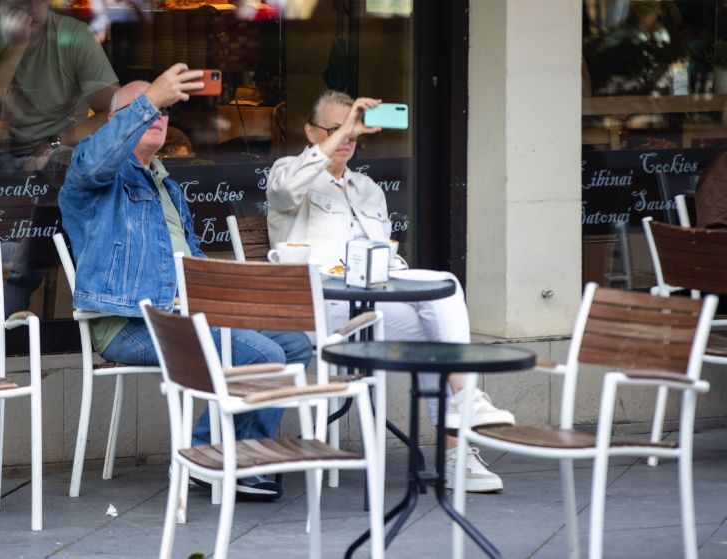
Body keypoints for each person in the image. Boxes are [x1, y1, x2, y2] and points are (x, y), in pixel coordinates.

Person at [58, 65, 312, 501]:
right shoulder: (92, 172)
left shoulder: (167, 187)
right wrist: (151, 98)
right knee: (262, 355)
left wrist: (230, 294)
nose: (157, 116)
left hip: (186, 314)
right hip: (131, 323)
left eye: (163, 110)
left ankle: (239, 452)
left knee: (294, 344)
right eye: (146, 108)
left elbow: (191, 262)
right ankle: (209, 457)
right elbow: (96, 159)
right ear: (115, 121)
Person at [266, 90, 515, 493]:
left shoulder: (368, 188)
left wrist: (395, 272)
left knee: (442, 300)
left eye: (353, 130)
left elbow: (382, 255)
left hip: (367, 308)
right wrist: (342, 131)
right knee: (440, 307)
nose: (347, 138)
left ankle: (458, 442)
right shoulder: (287, 172)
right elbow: (284, 193)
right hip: (314, 311)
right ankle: (465, 408)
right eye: (335, 129)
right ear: (311, 132)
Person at [0, 0, 119, 172]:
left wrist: (54, 143)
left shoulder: (75, 35)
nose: (34, 8)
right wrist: (17, 46)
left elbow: (116, 112)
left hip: (59, 161)